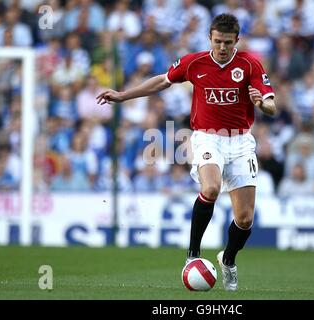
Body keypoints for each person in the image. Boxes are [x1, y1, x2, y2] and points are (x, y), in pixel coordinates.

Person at [96, 13, 276, 291]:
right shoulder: (195, 62)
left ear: (237, 41)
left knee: (244, 218)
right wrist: (122, 95)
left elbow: (270, 104)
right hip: (207, 138)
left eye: (228, 42)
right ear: (210, 39)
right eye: (218, 41)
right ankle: (193, 255)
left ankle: (228, 260)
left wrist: (262, 104)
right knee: (212, 188)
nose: (223, 47)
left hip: (240, 141)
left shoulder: (250, 64)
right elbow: (162, 81)